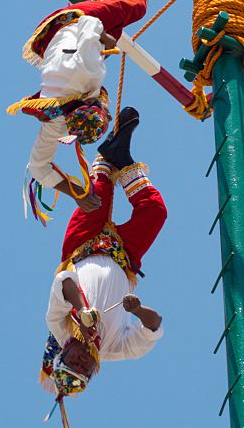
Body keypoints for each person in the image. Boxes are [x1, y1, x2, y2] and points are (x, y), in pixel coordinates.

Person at [9, 0, 170, 213]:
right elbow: (39, 168)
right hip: (66, 38)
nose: (107, 109)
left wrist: (104, 37)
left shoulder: (81, 75)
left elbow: (89, 27)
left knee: (134, 7)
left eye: (104, 112)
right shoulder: (58, 121)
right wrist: (75, 192)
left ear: (89, 106)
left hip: (72, 22)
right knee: (115, 26)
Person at [38, 107, 168, 398]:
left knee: (96, 196)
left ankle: (112, 158)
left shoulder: (58, 326)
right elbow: (155, 326)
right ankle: (121, 157)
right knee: (155, 213)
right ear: (93, 371)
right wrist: (138, 311)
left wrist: (82, 311)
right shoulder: (114, 348)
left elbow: (64, 282)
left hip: (82, 246)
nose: (82, 361)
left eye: (73, 362)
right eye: (84, 369)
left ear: (63, 354)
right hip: (125, 257)